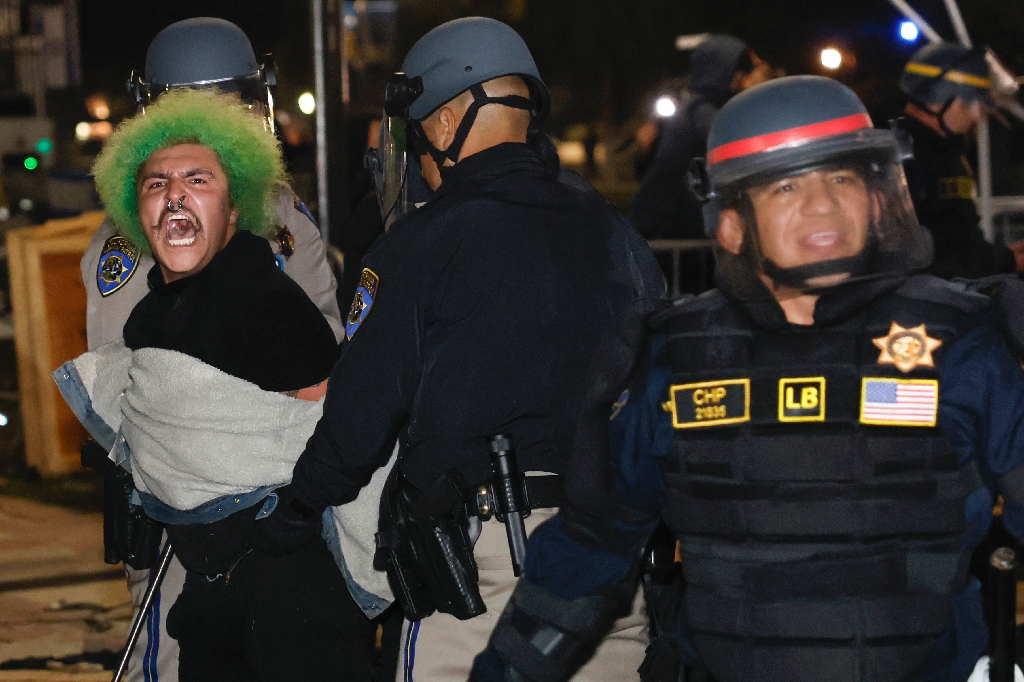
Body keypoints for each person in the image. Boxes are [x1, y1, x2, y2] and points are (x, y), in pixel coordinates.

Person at [468, 76, 1024, 682]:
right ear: (731, 223)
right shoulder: (677, 360)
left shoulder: (963, 343)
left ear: (878, 197)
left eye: (842, 178)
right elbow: (589, 547)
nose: (822, 204)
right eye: (787, 185)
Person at [255, 16, 666, 682]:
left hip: (487, 565)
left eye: (418, 138)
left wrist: (298, 510)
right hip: (608, 559)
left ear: (444, 126)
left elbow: (362, 411)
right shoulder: (616, 233)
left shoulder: (423, 244)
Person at [60, 89, 375, 681]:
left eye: (197, 179)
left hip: (291, 604)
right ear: (137, 211)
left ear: (236, 209)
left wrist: (282, 520)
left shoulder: (272, 308)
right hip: (209, 595)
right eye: (156, 185)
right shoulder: (154, 314)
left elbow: (326, 437)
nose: (174, 195)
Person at [900, 41, 1024, 279]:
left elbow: (963, 244)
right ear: (939, 100)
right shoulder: (904, 161)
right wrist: (1008, 261)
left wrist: (1009, 255)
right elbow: (924, 262)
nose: (977, 115)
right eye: (969, 103)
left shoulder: (945, 153)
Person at [630, 34, 771, 241]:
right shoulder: (701, 111)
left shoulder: (702, 109)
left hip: (676, 227)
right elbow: (744, 148)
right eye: (745, 73)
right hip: (668, 229)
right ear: (731, 76)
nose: (750, 80)